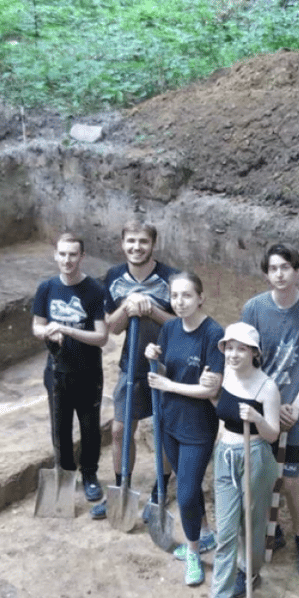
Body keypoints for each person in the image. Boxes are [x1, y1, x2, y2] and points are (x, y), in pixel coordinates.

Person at [239, 243, 299, 578]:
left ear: (298, 270)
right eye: (273, 269)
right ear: (266, 273)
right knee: (262, 474)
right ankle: (271, 530)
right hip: (262, 407)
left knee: (290, 478)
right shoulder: (253, 308)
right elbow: (246, 360)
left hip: (295, 408)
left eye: (286, 268)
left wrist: (296, 404)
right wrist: (268, 404)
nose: (279, 274)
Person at [144, 272, 224, 586]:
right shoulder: (170, 328)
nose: (180, 302)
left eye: (187, 296)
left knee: (187, 492)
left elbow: (210, 390)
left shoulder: (213, 334)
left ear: (200, 297)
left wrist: (168, 384)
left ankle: (192, 552)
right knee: (188, 492)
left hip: (198, 427)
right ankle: (203, 536)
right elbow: (166, 370)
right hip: (168, 421)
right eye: (175, 296)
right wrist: (153, 359)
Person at [201, 322, 280, 598]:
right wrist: (211, 395)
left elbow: (273, 433)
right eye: (229, 347)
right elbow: (224, 410)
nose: (233, 354)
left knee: (253, 524)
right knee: (226, 530)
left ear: (254, 353)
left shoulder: (267, 387)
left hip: (257, 456)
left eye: (241, 348)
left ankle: (249, 571)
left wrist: (258, 417)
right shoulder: (228, 374)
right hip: (225, 455)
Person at [98, 220, 179, 520]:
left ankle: (161, 488)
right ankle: (122, 488)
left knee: (164, 430)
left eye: (143, 241)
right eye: (131, 241)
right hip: (130, 364)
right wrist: (127, 307)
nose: (136, 247)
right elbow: (112, 328)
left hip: (168, 365)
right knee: (119, 430)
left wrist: (151, 310)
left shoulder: (172, 278)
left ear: (153, 244)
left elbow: (183, 324)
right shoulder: (114, 277)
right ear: (122, 244)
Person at [31, 233, 109, 505]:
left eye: (73, 254)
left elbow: (102, 337)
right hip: (56, 371)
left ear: (82, 257)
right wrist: (47, 334)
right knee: (60, 428)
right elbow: (37, 326)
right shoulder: (47, 288)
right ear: (55, 255)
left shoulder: (95, 291)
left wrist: (66, 329)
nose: (67, 260)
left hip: (88, 372)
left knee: (89, 428)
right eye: (62, 254)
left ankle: (89, 475)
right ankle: (65, 475)